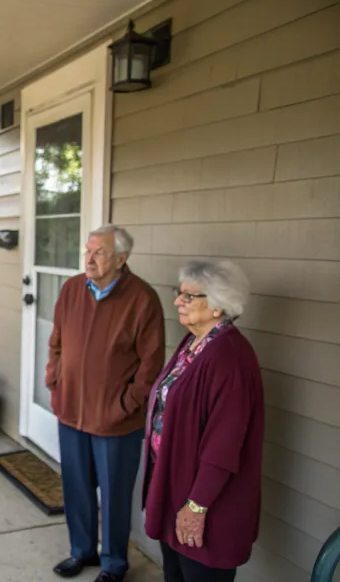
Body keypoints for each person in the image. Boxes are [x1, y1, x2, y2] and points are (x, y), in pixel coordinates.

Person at [47, 225, 165, 582]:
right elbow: (56, 342)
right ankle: (81, 551)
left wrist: (126, 404)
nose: (89, 258)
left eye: (99, 252)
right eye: (88, 250)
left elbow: (151, 363)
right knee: (76, 487)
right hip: (70, 411)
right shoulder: (71, 289)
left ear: (120, 259)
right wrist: (54, 380)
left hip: (116, 420)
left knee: (114, 496)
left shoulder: (142, 299)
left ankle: (114, 564)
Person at [142, 260, 264, 582]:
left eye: (189, 296)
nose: (177, 302)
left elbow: (223, 445)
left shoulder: (230, 358)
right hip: (176, 494)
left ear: (217, 306)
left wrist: (196, 507)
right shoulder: (193, 343)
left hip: (206, 509)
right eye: (179, 293)